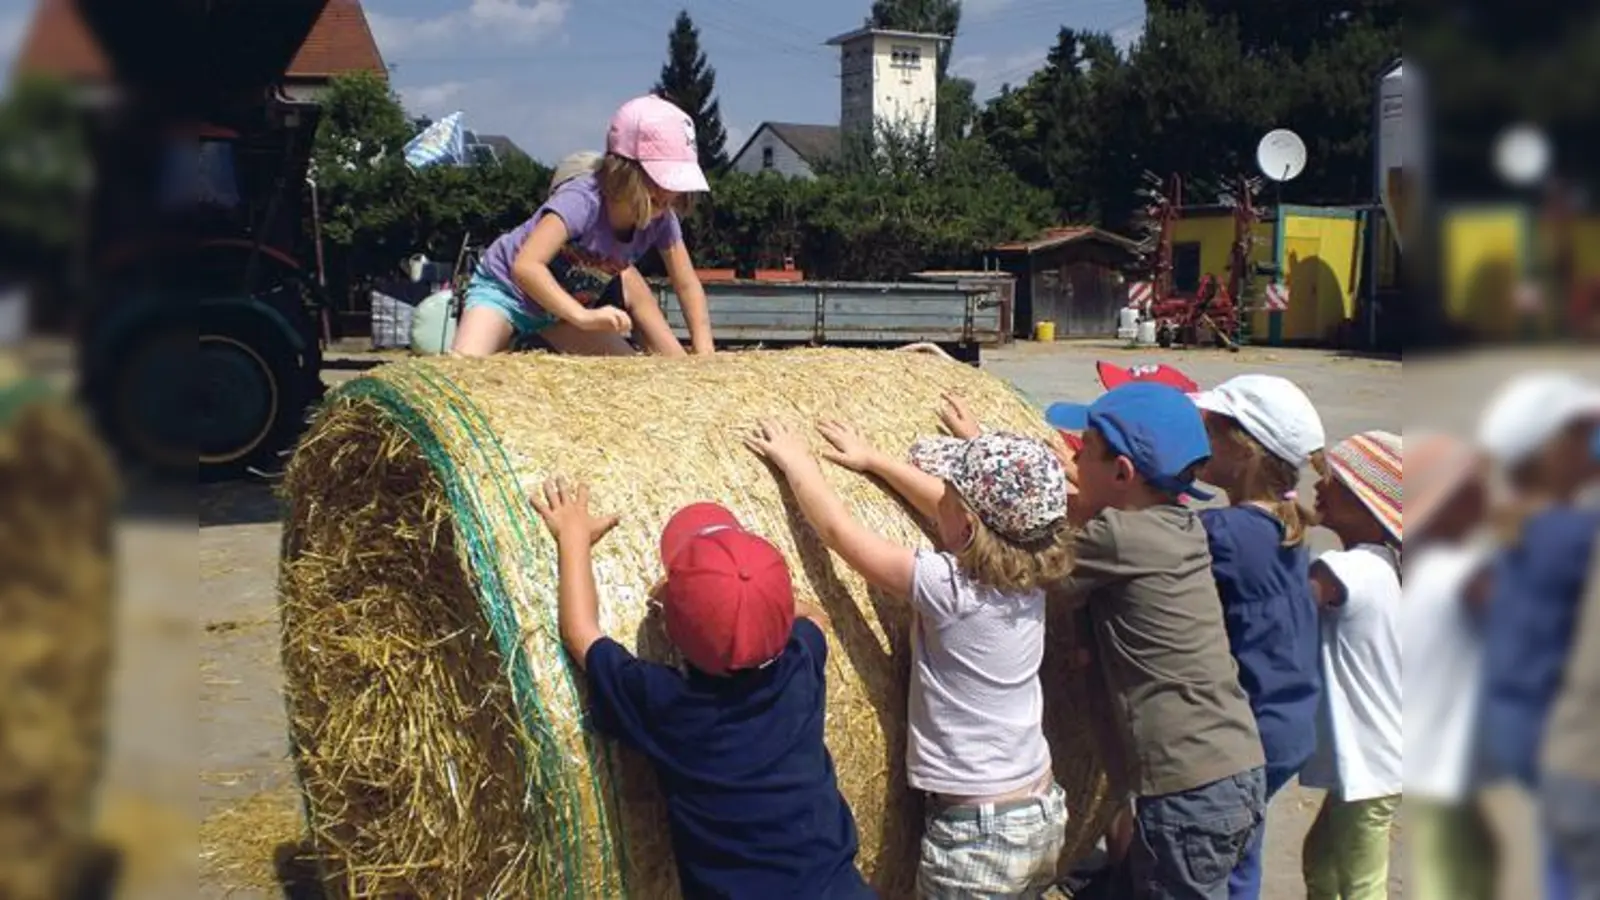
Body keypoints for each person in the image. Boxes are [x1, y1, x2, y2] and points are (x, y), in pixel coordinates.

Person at [745, 419, 1076, 898]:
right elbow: (964, 518)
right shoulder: (1029, 577)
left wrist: (799, 463)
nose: (937, 495)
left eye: (947, 492)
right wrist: (875, 460)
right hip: (1040, 809)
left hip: (978, 838)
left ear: (964, 524)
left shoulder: (949, 587)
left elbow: (839, 532)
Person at [527, 479, 874, 898]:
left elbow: (580, 632)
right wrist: (761, 598)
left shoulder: (671, 707)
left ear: (671, 629)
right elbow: (815, 618)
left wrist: (574, 538)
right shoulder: (799, 671)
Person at [1043, 383, 1267, 900]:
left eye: (1084, 451)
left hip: (1187, 796)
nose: (1074, 459)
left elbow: (1023, 559)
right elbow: (1086, 506)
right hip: (1232, 768)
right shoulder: (1179, 525)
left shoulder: (1117, 539)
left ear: (1122, 473)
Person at [1188, 375, 1327, 900]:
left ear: (1242, 447)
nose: (1199, 436)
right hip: (1287, 722)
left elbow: (1150, 545)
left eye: (1209, 427)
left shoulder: (1225, 534)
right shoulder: (1281, 523)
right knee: (1240, 845)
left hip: (1249, 732)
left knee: (1204, 860)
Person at [453, 95, 715, 357]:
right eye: (659, 185)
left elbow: (687, 285)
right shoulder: (581, 201)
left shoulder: (661, 218)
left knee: (633, 380)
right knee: (465, 370)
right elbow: (526, 266)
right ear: (623, 171)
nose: (670, 195)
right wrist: (581, 316)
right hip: (505, 291)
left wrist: (705, 356)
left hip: (558, 313)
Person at [1473, 373, 1600, 900]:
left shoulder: (1511, 529)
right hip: (1562, 730)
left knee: (1566, 864)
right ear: (1550, 450)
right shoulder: (1572, 535)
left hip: (1518, 723)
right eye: (1583, 434)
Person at [1299, 430, 1403, 900]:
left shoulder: (1348, 571)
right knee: (1321, 861)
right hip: (1375, 756)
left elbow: (1290, 604)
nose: (1319, 487)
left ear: (1368, 502)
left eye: (1334, 480)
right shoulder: (1381, 564)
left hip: (1372, 759)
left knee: (1361, 885)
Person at [1402, 432, 1497, 900]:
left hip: (1443, 760)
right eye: (1474, 489)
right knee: (1456, 872)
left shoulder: (1421, 567)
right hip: (1444, 764)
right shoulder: (1459, 573)